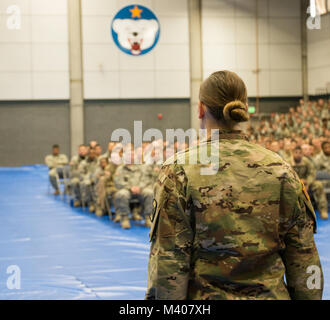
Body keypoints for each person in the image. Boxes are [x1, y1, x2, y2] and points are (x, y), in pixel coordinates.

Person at [146, 70, 323, 300]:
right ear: (243, 108)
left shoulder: (179, 171)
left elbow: (168, 264)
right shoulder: (282, 170)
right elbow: (305, 260)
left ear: (200, 109)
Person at [113, 148, 154, 229]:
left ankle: (148, 218)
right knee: (121, 194)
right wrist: (130, 188)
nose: (130, 157)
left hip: (140, 190)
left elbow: (146, 180)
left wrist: (139, 187)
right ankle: (124, 218)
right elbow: (118, 182)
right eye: (128, 155)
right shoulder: (120, 169)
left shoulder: (142, 167)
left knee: (149, 193)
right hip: (127, 190)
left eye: (132, 155)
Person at [288, 146, 328, 220]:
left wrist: (308, 183)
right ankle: (291, 214)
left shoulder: (306, 161)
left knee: (318, 185)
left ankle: (323, 210)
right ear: (292, 153)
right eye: (296, 153)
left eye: (300, 153)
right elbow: (287, 175)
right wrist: (299, 182)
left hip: (307, 183)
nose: (298, 154)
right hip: (294, 184)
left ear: (302, 154)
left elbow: (312, 173)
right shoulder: (288, 162)